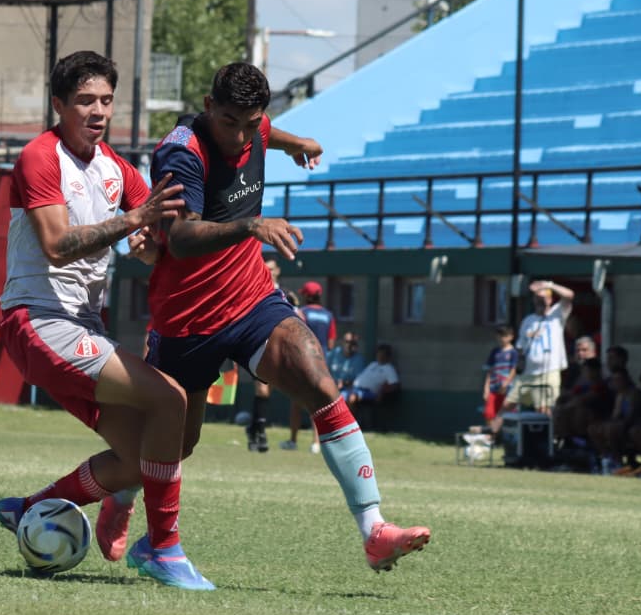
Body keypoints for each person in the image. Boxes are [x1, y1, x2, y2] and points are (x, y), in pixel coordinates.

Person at [113, 61, 430, 573]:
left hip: (250, 298)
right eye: (229, 121)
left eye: (250, 122)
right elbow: (180, 237)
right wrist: (250, 225)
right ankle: (122, 495)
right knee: (178, 441)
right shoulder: (181, 153)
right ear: (209, 107)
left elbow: (264, 132)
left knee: (317, 375)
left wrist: (296, 142)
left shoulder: (254, 126)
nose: (240, 135)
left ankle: (374, 528)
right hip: (189, 315)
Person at [0, 50, 213, 591]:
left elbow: (155, 240)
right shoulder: (39, 158)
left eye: (107, 101)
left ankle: (30, 507)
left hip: (82, 329)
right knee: (169, 401)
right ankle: (164, 550)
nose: (97, 111)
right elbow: (58, 245)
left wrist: (149, 243)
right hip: (38, 323)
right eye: (85, 100)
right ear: (59, 105)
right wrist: (134, 220)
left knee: (150, 458)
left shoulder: (118, 170)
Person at [501, 279, 574, 417]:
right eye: (538, 298)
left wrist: (549, 285)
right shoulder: (528, 320)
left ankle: (550, 437)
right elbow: (520, 348)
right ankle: (493, 436)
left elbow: (569, 295)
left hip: (548, 371)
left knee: (545, 410)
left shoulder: (557, 314)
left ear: (550, 299)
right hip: (527, 373)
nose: (540, 301)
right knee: (507, 405)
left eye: (544, 298)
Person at [281, 280, 336, 453]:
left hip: (303, 361)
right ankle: (316, 443)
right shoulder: (328, 315)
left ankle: (293, 440)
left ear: (305, 296)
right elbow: (331, 343)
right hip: (322, 363)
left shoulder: (302, 312)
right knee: (318, 404)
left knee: (298, 402)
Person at [245, 258, 288, 453]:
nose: (268, 272)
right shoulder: (254, 290)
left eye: (271, 269)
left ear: (277, 270)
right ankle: (260, 432)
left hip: (276, 346)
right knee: (262, 389)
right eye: (265, 269)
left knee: (267, 391)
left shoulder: (283, 294)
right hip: (256, 343)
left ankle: (254, 428)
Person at [341, 344, 401, 409]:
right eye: (378, 353)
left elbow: (395, 385)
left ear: (387, 356)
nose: (379, 356)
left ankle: (350, 419)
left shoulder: (389, 368)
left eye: (382, 354)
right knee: (337, 397)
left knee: (352, 397)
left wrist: (382, 391)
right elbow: (362, 377)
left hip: (370, 392)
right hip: (355, 388)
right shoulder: (373, 364)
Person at [482, 325, 517, 433]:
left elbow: (514, 370)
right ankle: (492, 437)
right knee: (489, 413)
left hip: (508, 389)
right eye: (499, 336)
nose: (502, 339)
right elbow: (489, 370)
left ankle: (508, 437)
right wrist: (486, 388)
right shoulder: (495, 352)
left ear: (511, 337)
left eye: (505, 336)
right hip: (494, 388)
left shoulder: (513, 352)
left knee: (508, 415)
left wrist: (506, 383)